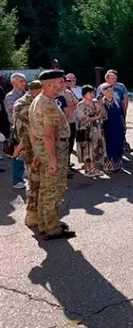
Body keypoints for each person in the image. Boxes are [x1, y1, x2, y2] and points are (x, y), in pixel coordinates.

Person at [29, 69, 75, 240]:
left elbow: (33, 130)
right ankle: (52, 228)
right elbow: (48, 134)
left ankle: (46, 222)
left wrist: (38, 152)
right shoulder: (47, 104)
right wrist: (53, 159)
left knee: (46, 188)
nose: (64, 84)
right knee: (54, 189)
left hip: (45, 149)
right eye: (60, 82)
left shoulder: (39, 100)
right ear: (49, 84)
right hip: (54, 150)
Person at [11, 80, 42, 227]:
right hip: (31, 149)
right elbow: (28, 133)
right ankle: (32, 216)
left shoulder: (30, 102)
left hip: (33, 147)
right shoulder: (25, 105)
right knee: (34, 182)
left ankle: (37, 214)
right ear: (35, 91)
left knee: (38, 182)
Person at [75, 85, 106, 177]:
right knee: (86, 149)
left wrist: (101, 104)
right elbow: (82, 117)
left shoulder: (95, 103)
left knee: (94, 148)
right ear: (84, 94)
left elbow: (103, 114)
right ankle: (87, 169)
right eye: (90, 93)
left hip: (95, 130)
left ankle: (94, 168)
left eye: (93, 93)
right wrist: (96, 117)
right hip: (84, 130)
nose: (92, 95)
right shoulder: (81, 104)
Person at [99, 70, 130, 154]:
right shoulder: (102, 87)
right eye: (112, 78)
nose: (114, 80)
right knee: (108, 138)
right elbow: (98, 100)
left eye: (115, 78)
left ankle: (120, 155)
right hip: (107, 118)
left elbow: (125, 100)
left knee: (120, 135)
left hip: (118, 114)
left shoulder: (121, 87)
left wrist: (124, 112)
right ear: (107, 79)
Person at [5, 73, 27, 188]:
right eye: (21, 81)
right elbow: (12, 112)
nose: (24, 83)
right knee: (17, 153)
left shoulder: (27, 94)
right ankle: (17, 180)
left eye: (24, 81)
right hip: (17, 129)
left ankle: (26, 176)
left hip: (28, 128)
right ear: (14, 83)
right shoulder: (10, 96)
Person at [100, 83, 125, 173]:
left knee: (118, 145)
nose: (111, 92)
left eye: (112, 90)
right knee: (108, 145)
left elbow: (122, 115)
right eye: (108, 91)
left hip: (118, 127)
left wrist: (123, 127)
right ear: (103, 92)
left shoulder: (118, 101)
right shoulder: (101, 103)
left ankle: (117, 165)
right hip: (107, 128)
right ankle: (108, 166)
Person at [61, 76, 79, 172]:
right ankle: (63, 166)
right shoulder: (56, 94)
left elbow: (77, 103)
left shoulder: (68, 93)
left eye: (66, 82)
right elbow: (62, 109)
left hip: (71, 121)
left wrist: (69, 107)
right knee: (62, 145)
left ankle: (67, 163)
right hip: (62, 124)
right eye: (63, 82)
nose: (65, 83)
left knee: (71, 143)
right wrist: (69, 108)